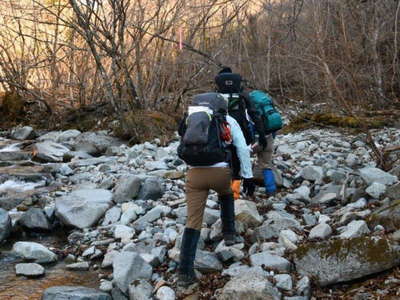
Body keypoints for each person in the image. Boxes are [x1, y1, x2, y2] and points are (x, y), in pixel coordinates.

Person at [177, 92, 255, 287]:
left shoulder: (190, 119)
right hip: (220, 172)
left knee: (193, 221)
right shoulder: (226, 119)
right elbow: (242, 148)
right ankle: (229, 234)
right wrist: (247, 175)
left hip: (194, 175)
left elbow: (183, 145)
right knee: (226, 194)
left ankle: (185, 274)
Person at [215, 67, 266, 199]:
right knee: (240, 158)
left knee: (227, 161)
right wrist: (261, 133)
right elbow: (254, 113)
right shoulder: (242, 93)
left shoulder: (216, 94)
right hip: (241, 130)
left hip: (222, 131)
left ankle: (230, 193)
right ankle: (241, 189)